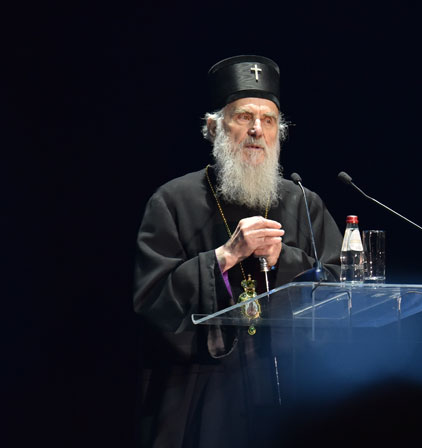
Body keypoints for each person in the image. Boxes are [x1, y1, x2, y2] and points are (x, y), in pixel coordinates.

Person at [133, 55, 342, 447]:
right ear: (214, 128)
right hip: (201, 390)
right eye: (244, 117)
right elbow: (151, 301)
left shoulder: (303, 202)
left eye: (269, 120)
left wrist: (284, 259)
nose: (257, 130)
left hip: (290, 386)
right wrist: (224, 257)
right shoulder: (172, 200)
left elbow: (338, 292)